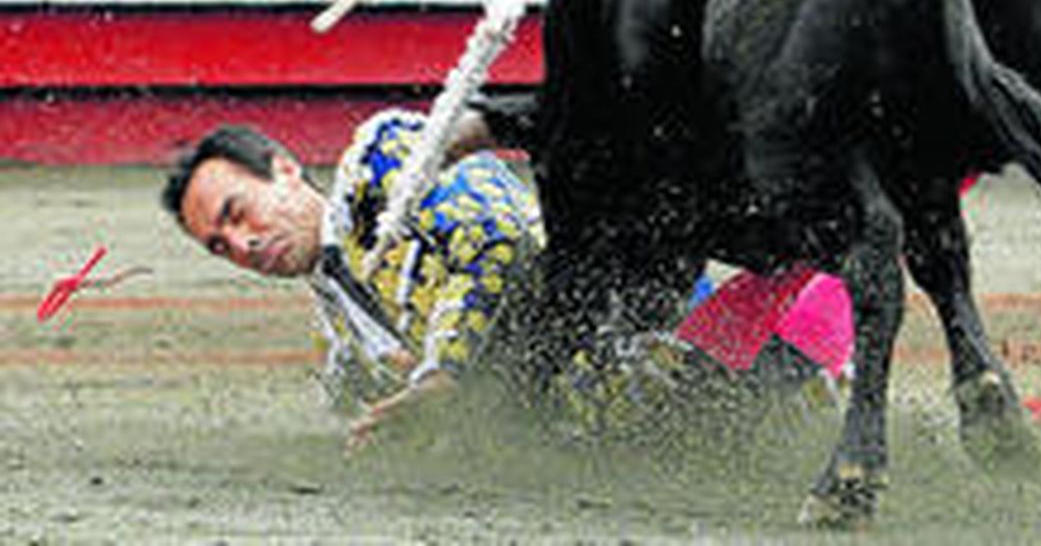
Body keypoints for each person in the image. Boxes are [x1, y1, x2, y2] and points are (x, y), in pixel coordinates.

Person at [163, 108, 847, 452]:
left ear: (284, 169)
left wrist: (444, 371)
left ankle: (824, 260)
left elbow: (500, 238)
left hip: (647, 322)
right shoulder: (342, 348)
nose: (243, 244)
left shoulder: (383, 158)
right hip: (622, 428)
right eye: (221, 246)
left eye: (237, 213)